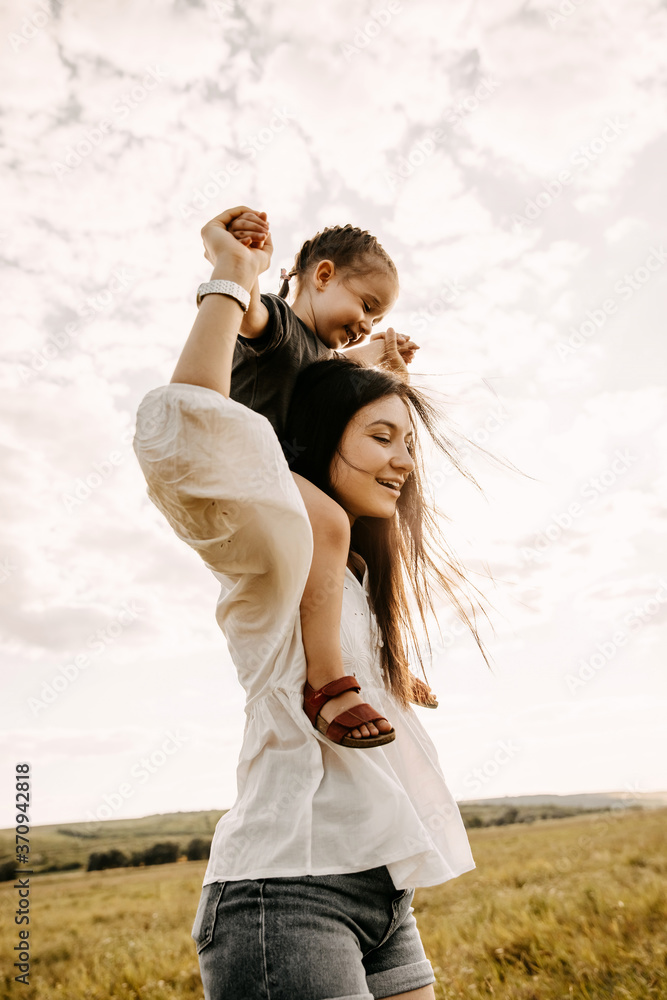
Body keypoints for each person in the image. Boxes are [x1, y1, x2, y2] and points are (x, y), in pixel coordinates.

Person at [133, 206, 491, 1000]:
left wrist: (381, 365)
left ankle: (344, 678)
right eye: (381, 441)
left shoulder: (348, 580)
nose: (402, 464)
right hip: (286, 891)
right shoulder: (283, 548)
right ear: (318, 276)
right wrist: (232, 274)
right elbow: (191, 414)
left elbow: (336, 386)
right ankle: (328, 685)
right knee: (321, 521)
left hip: (377, 890)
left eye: (407, 446)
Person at [216, 207, 432, 749]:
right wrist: (245, 264)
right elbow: (248, 314)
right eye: (366, 305)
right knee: (334, 524)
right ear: (324, 275)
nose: (368, 322)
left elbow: (341, 364)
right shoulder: (279, 328)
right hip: (245, 472)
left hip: (285, 479)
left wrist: (384, 352)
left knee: (367, 554)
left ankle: (386, 663)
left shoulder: (321, 355)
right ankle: (325, 683)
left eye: (378, 317)